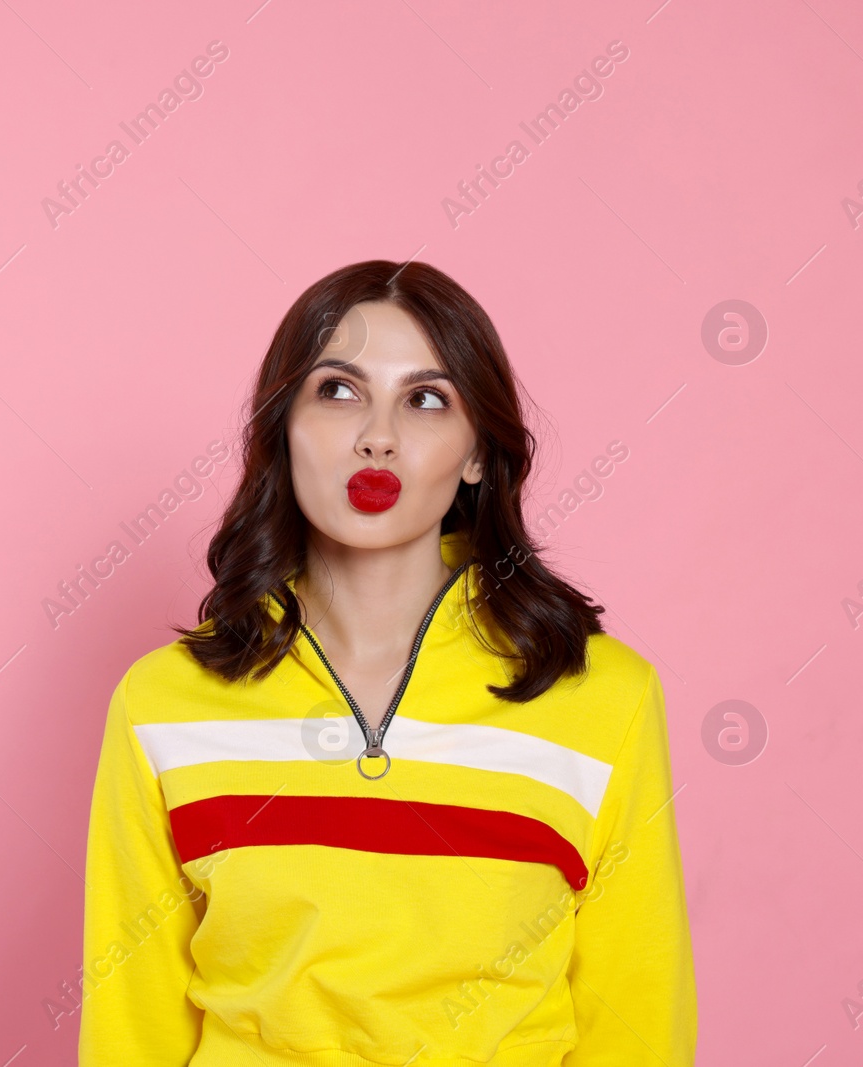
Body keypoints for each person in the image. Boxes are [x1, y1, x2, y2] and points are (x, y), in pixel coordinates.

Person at [77, 260, 696, 1065]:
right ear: (282, 431)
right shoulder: (164, 702)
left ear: (478, 453)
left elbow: (637, 1020)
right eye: (338, 390)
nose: (378, 433)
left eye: (426, 399)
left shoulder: (606, 696)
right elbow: (133, 1025)